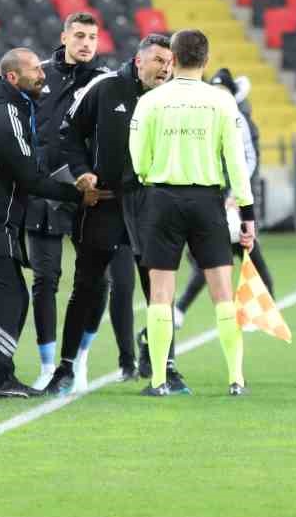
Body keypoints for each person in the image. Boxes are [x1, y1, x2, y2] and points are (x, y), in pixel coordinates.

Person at [0, 48, 86, 398]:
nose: (42, 74)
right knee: (9, 301)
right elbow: (30, 178)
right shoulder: (3, 112)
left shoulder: (9, 106)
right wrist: (79, 194)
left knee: (10, 299)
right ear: (12, 78)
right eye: (35, 69)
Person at [130, 28, 257, 397]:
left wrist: (151, 173)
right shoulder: (221, 102)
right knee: (222, 293)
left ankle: (157, 381)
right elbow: (236, 161)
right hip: (207, 202)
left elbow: (137, 157)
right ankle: (236, 379)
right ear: (205, 59)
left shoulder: (151, 101)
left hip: (162, 199)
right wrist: (247, 214)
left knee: (160, 294)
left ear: (173, 57)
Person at [45, 32, 173, 395]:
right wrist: (81, 172)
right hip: (104, 202)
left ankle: (168, 369)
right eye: (159, 61)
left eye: (169, 63)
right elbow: (68, 134)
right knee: (85, 286)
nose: (165, 69)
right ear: (139, 61)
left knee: (158, 291)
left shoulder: (173, 99)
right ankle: (66, 368)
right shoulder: (105, 89)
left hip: (150, 206)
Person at [21, 12, 114, 388]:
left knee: (97, 281)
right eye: (79, 35)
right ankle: (47, 367)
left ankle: (80, 357)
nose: (86, 43)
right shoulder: (37, 75)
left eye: (92, 36)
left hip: (89, 194)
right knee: (45, 279)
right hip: (43, 191)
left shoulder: (106, 82)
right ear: (64, 37)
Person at [174, 67, 275, 329]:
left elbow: (247, 162)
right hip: (218, 201)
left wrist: (236, 196)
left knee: (242, 255)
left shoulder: (241, 122)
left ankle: (262, 308)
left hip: (236, 202)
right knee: (225, 258)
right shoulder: (212, 117)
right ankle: (263, 308)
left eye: (223, 91)